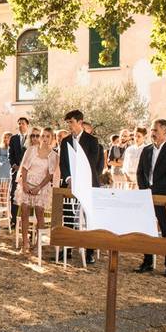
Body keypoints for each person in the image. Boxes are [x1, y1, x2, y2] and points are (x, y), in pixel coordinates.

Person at [135, 119, 166, 276]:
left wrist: (153, 191)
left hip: (165, 196)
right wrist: (144, 190)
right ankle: (147, 262)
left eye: (155, 130)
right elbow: (140, 172)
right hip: (146, 196)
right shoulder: (146, 150)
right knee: (146, 229)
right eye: (152, 130)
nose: (152, 133)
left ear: (165, 131)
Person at [58, 110, 101, 264]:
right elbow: (63, 163)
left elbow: (92, 164)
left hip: (88, 185)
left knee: (89, 219)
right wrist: (69, 179)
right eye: (68, 123)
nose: (69, 125)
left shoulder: (92, 141)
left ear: (80, 122)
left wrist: (80, 180)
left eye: (71, 122)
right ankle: (67, 250)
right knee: (68, 217)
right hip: (70, 185)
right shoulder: (65, 141)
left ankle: (90, 251)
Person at [17, 128, 56, 254]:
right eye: (42, 136)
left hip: (42, 186)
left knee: (40, 213)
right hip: (27, 183)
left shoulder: (54, 155)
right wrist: (24, 184)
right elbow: (24, 167)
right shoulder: (31, 150)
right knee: (24, 212)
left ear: (52, 138)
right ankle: (25, 243)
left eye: (47, 136)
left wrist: (39, 187)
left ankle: (39, 244)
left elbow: (50, 175)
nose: (44, 138)